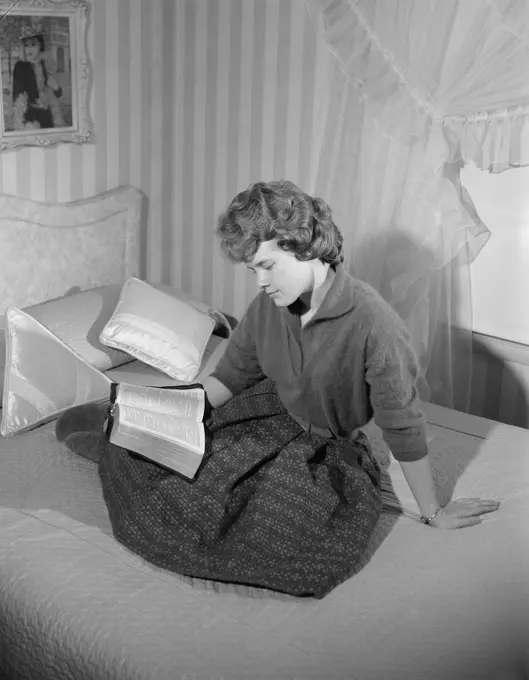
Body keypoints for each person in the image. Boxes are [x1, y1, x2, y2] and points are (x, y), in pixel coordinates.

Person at [56, 180, 499, 598]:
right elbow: (227, 379)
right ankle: (114, 433)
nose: (260, 282)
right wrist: (165, 411)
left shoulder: (373, 322)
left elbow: (403, 426)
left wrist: (433, 512)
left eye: (267, 266)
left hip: (325, 449)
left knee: (276, 535)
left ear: (306, 247)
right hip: (263, 409)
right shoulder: (269, 307)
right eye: (253, 269)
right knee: (162, 451)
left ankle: (112, 442)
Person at [12, 22, 65, 131]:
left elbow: (58, 93)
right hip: (30, 116)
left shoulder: (46, 63)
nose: (29, 49)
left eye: (33, 44)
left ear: (40, 45)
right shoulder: (21, 66)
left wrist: (56, 87)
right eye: (26, 45)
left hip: (48, 114)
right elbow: (18, 95)